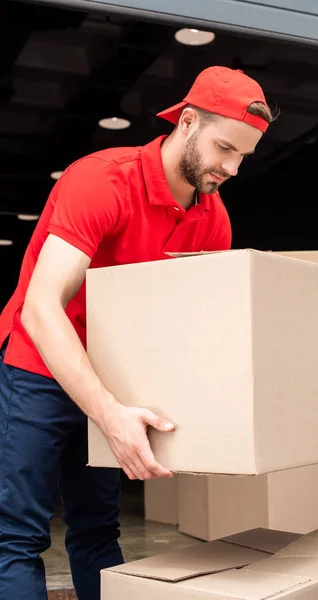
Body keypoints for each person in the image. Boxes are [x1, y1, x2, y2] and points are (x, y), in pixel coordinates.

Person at [0, 65, 273, 600]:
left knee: (98, 529)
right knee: (17, 534)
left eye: (244, 156)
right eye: (224, 149)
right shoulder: (103, 180)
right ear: (188, 121)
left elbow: (185, 328)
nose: (232, 168)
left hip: (115, 374)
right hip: (40, 362)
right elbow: (40, 308)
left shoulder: (213, 220)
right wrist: (109, 415)